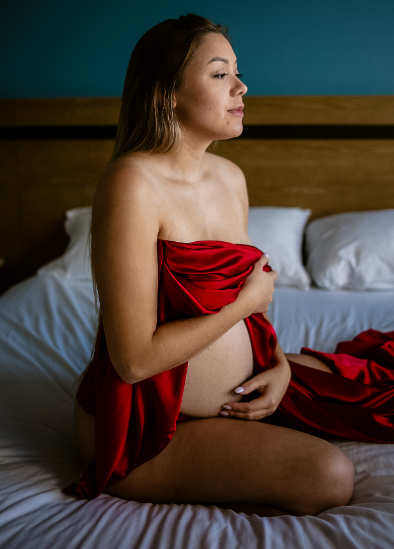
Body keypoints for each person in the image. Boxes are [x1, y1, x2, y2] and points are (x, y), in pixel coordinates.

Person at [69, 14, 393, 517]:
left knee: (365, 387)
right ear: (166, 93)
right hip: (148, 424)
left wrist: (279, 368)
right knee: (328, 477)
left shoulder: (229, 176)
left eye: (237, 72)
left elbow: (250, 313)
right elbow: (132, 360)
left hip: (239, 395)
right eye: (221, 74)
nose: (242, 86)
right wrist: (244, 305)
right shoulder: (131, 183)